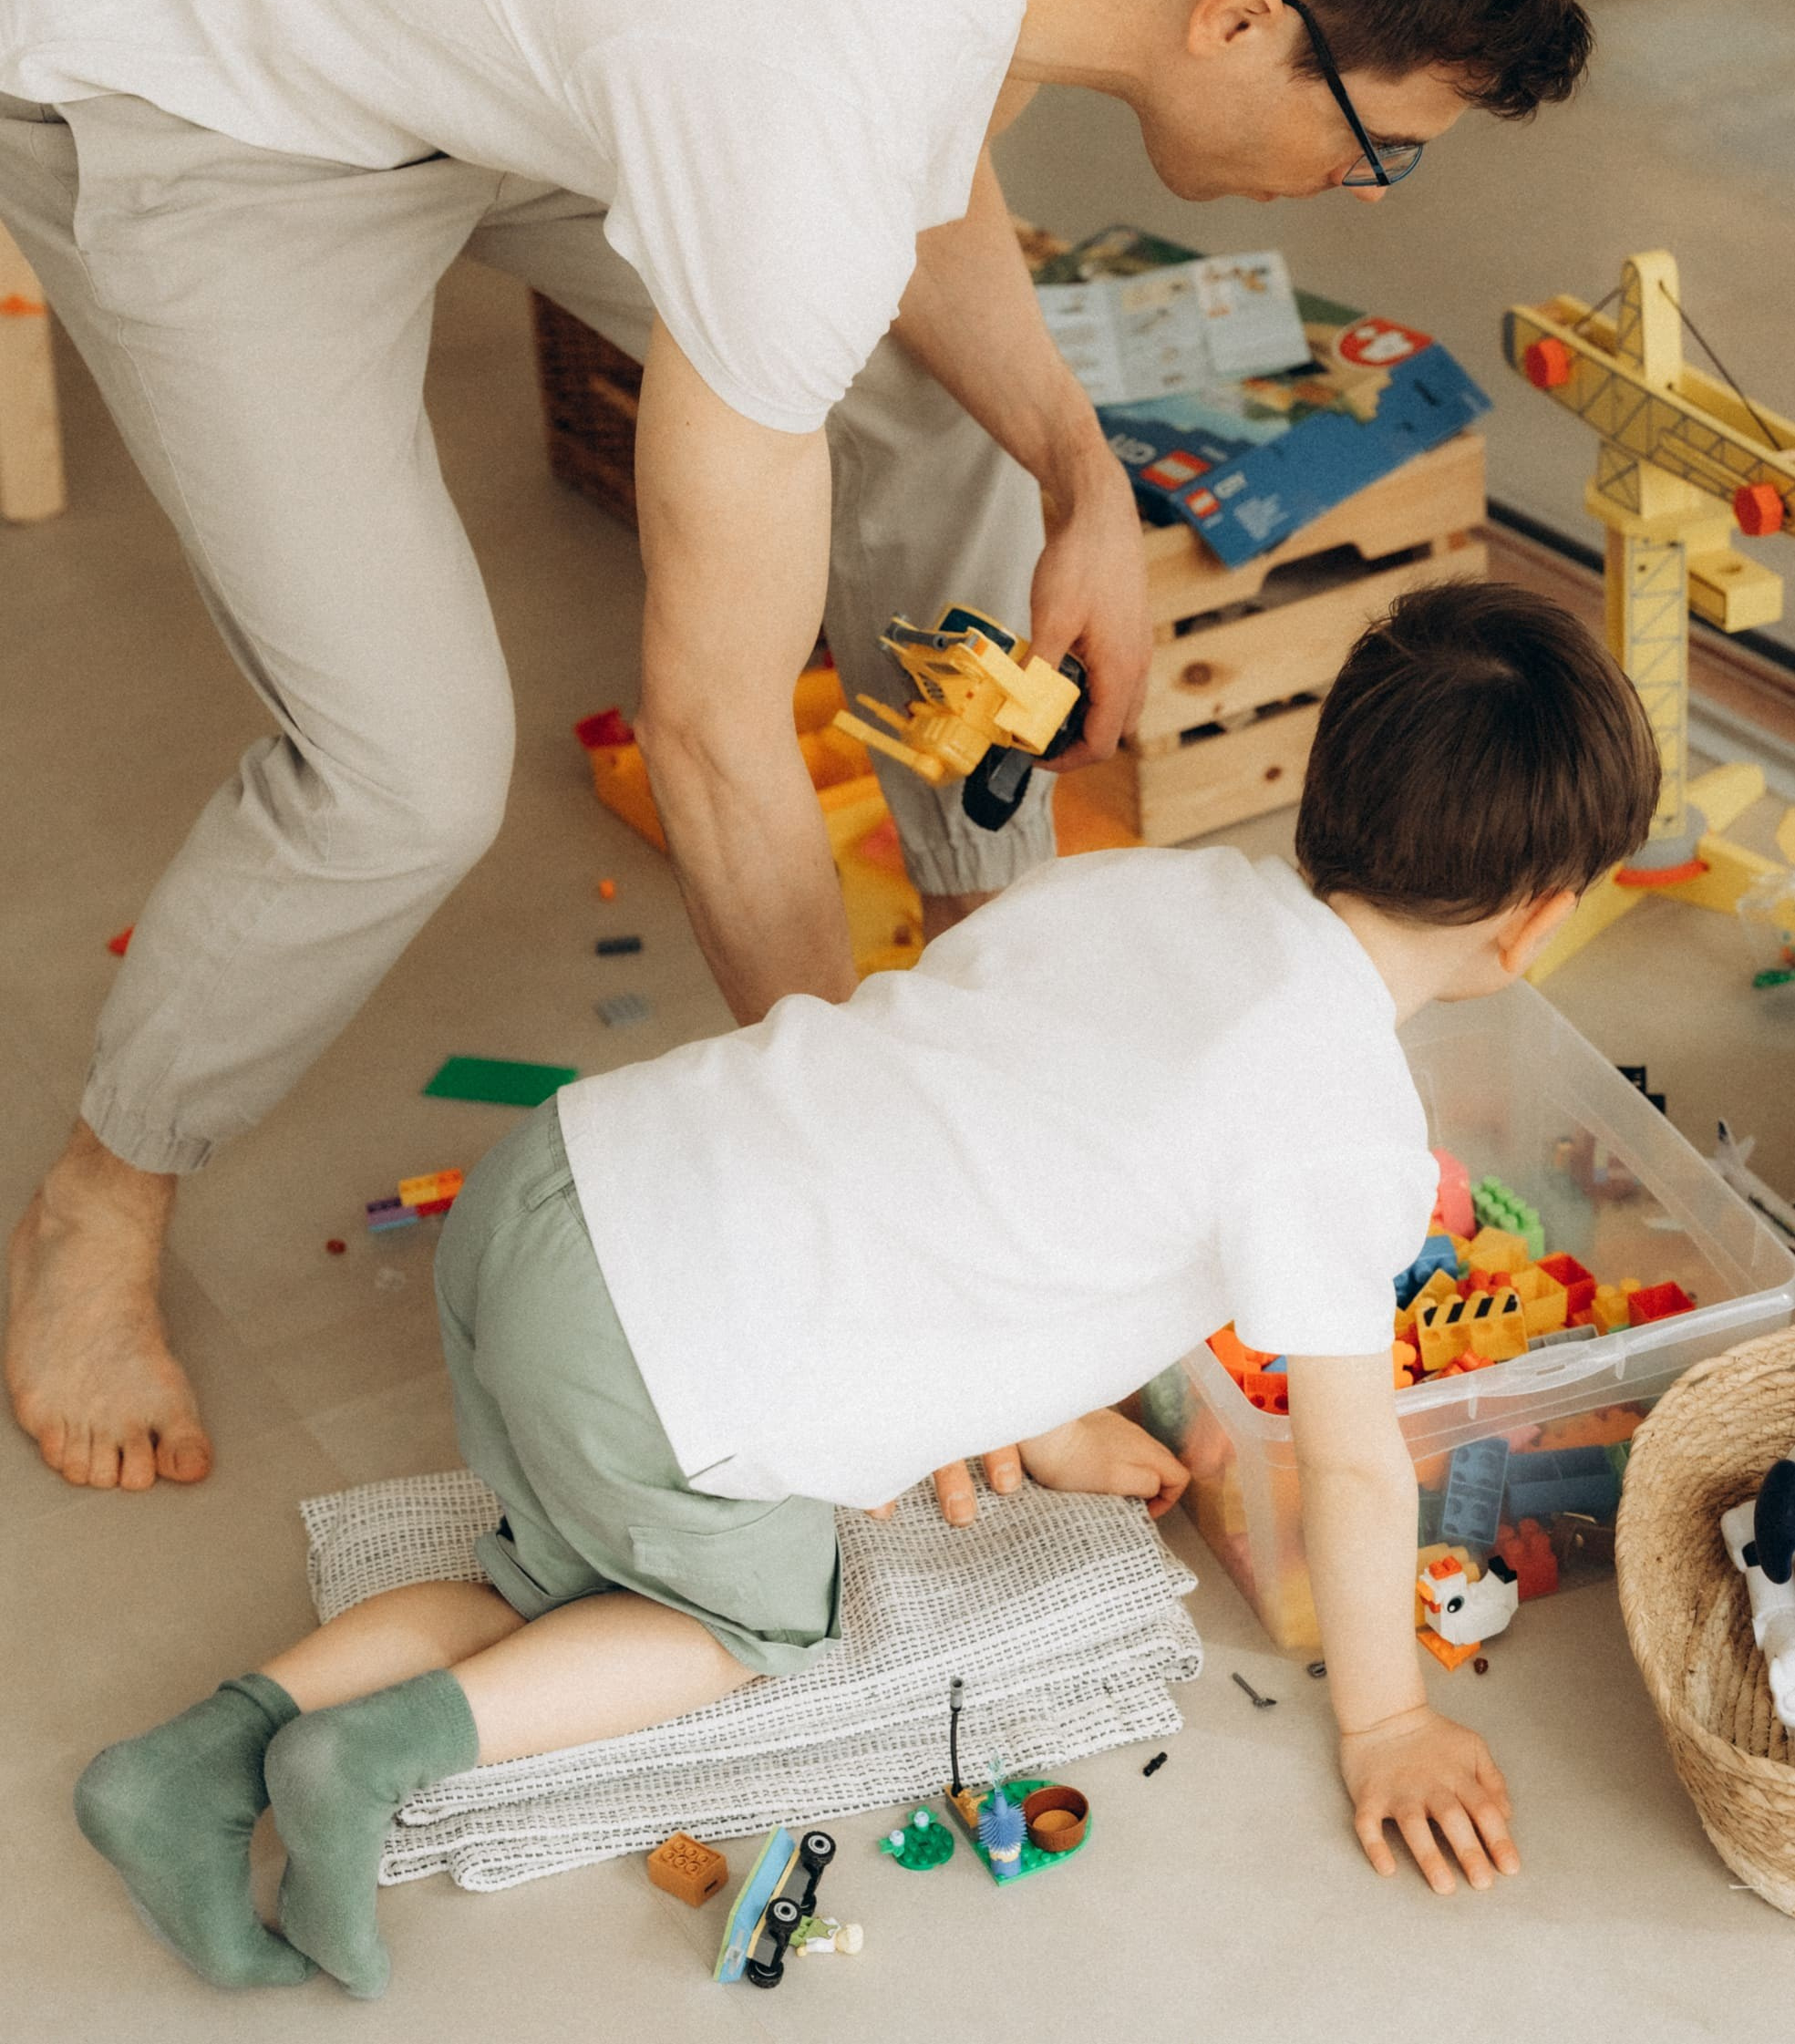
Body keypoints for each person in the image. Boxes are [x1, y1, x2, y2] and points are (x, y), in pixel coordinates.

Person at [0, 0, 1592, 1499]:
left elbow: (914, 192)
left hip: (495, 9)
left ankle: (998, 977)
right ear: (1238, 13)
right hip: (197, 69)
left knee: (938, 409)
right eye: (1374, 136)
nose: (1362, 181)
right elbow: (715, 734)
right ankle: (101, 1198)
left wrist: (1079, 473)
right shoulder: (787, 73)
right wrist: (899, 1198)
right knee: (402, 769)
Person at [69, 580, 1658, 1992]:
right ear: (1532, 921)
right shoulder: (1340, 1126)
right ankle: (374, 1756)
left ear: (1330, 787)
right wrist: (1385, 1723)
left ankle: (192, 1757)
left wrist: (1045, 1421)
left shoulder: (1139, 887)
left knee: (556, 1582)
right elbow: (1360, 1459)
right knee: (737, 1618)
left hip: (553, 1189)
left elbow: (982, 1159)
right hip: (662, 1367)